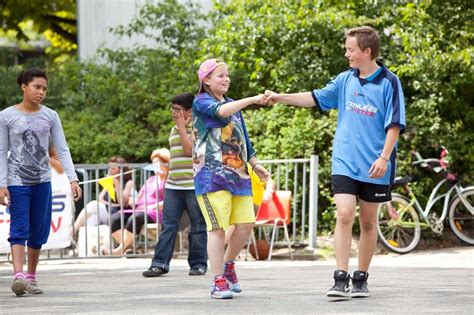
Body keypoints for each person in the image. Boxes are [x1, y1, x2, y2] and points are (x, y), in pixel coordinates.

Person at [263, 26, 406, 299]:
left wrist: (384, 157)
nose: (346, 53)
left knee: (367, 223)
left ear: (367, 51)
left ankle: (361, 277)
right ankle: (340, 278)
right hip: (344, 161)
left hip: (375, 164)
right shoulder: (344, 80)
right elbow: (314, 98)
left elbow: (395, 125)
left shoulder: (390, 82)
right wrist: (280, 97)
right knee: (344, 214)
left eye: (351, 49)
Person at [0, 68, 82, 296]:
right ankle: (18, 277)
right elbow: (1, 151)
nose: (41, 92)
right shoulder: (6, 116)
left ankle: (31, 277)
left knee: (39, 230)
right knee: (19, 228)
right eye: (37, 87)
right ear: (23, 87)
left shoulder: (50, 116)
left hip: (43, 181)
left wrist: (72, 178)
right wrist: (1, 183)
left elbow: (62, 149)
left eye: (44, 88)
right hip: (17, 181)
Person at [192, 59, 269, 299]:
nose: (226, 79)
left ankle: (229, 266)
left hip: (239, 175)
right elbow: (221, 113)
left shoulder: (233, 104)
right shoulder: (201, 102)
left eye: (227, 75)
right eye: (220, 76)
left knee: (245, 225)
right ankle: (218, 282)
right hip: (211, 177)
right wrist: (254, 99)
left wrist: (255, 165)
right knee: (217, 228)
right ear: (206, 81)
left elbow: (243, 138)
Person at [142, 92, 208, 277]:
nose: (173, 113)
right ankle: (159, 264)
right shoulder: (174, 129)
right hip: (173, 185)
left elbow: (189, 152)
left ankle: (198, 264)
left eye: (177, 110)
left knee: (197, 226)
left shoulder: (199, 128)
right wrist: (166, 181)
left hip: (193, 185)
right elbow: (175, 157)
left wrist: (181, 127)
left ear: (189, 111)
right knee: (168, 225)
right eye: (172, 109)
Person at [110, 148, 169, 256]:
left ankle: (120, 250)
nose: (154, 167)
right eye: (153, 164)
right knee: (115, 219)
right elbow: (140, 195)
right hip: (140, 209)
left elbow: (169, 201)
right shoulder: (151, 179)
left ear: (165, 164)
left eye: (157, 164)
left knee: (135, 218)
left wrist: (155, 206)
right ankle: (130, 248)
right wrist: (134, 200)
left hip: (156, 212)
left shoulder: (169, 180)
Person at [73, 156, 134, 234]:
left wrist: (117, 184)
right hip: (107, 210)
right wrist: (111, 204)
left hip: (118, 214)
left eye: (113, 168)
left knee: (93, 204)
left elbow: (122, 203)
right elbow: (100, 199)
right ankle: (87, 244)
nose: (110, 171)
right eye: (109, 168)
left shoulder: (128, 183)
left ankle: (73, 230)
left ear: (121, 170)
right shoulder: (109, 182)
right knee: (91, 220)